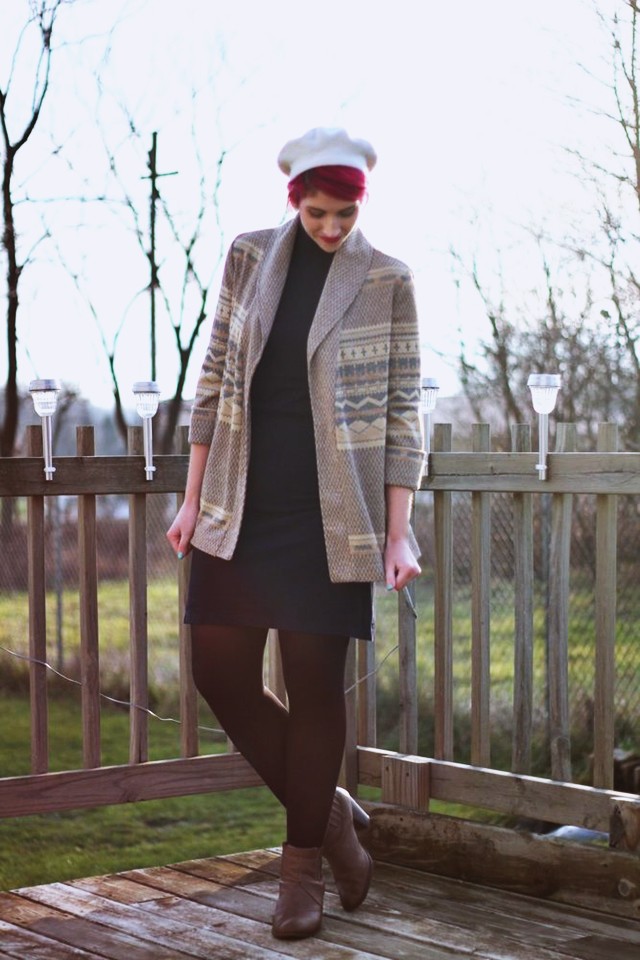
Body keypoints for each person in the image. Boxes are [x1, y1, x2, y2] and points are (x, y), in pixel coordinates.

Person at [167, 126, 425, 940]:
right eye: (318, 212)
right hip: (240, 507)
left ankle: (303, 865)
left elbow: (402, 413)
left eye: (345, 215)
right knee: (219, 671)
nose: (331, 228)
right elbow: (212, 381)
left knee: (315, 687)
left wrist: (399, 532)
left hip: (332, 516)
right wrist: (190, 497)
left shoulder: (387, 280)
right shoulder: (249, 258)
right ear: (294, 200)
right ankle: (334, 813)